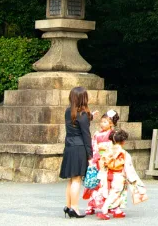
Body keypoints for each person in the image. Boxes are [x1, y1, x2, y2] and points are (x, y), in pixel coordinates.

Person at [59, 86, 96, 218]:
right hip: (80, 147)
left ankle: (68, 205)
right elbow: (86, 135)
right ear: (83, 99)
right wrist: (90, 155)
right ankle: (74, 207)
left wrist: (89, 117)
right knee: (77, 180)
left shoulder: (68, 111)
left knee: (71, 179)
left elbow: (77, 124)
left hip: (69, 146)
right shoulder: (83, 115)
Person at [97, 129, 147, 220]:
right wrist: (133, 179)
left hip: (108, 174)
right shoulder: (124, 154)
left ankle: (117, 210)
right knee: (115, 193)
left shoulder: (107, 152)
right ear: (123, 142)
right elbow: (129, 168)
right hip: (119, 176)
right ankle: (104, 210)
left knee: (115, 192)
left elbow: (102, 163)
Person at [86, 110, 119, 215]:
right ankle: (92, 204)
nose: (102, 124)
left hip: (108, 161)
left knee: (109, 183)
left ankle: (111, 204)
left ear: (111, 124)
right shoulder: (97, 134)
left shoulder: (113, 134)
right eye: (102, 121)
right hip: (98, 161)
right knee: (96, 183)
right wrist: (93, 158)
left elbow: (116, 148)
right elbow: (94, 146)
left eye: (105, 122)